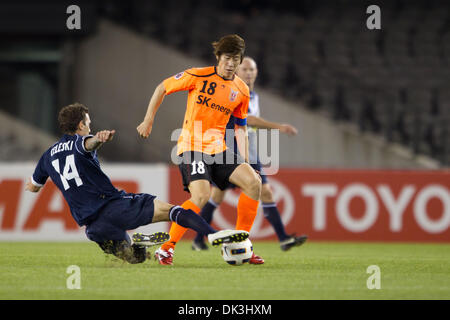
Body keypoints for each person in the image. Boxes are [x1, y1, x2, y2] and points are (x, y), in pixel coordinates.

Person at [25, 103, 249, 264]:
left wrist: (31, 185)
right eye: (89, 124)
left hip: (94, 228)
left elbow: (34, 186)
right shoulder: (80, 142)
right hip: (114, 207)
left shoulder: (47, 156)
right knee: (173, 211)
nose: (90, 127)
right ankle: (211, 234)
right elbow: (87, 145)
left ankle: (140, 244)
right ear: (81, 125)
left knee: (135, 258)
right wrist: (99, 139)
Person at [137, 34, 264, 265]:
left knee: (254, 182)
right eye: (227, 58)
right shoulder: (197, 75)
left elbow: (240, 128)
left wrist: (246, 163)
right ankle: (166, 248)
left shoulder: (241, 90)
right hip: (191, 147)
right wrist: (148, 120)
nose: (231, 64)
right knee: (202, 195)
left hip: (219, 149)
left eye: (235, 59)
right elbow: (162, 88)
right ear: (218, 57)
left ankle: (242, 244)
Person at [192, 57, 308, 258]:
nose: (248, 72)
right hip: (230, 150)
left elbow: (248, 124)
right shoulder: (236, 90)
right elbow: (249, 120)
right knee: (217, 195)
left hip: (247, 151)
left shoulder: (253, 95)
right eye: (244, 69)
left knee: (265, 193)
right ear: (237, 71)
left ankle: (282, 238)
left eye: (252, 69)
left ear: (256, 72)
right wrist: (279, 127)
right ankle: (198, 239)